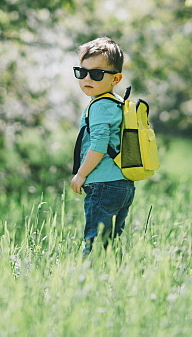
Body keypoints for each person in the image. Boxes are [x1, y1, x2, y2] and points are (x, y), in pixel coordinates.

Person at [70, 37, 135, 256]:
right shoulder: (116, 103)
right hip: (123, 184)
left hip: (103, 184)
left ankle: (86, 280)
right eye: (82, 72)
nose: (87, 78)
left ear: (115, 78)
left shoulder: (99, 106)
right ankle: (112, 279)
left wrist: (80, 175)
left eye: (96, 74)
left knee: (95, 242)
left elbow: (98, 146)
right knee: (111, 244)